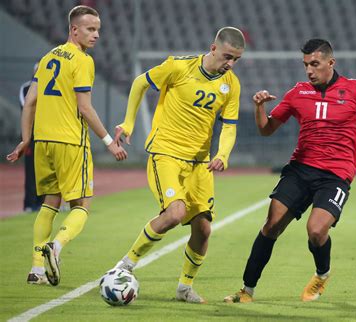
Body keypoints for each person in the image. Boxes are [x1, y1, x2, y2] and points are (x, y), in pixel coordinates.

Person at [224, 39, 356, 303]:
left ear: (331, 63)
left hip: (335, 176)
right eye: (306, 64)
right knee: (271, 225)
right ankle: (246, 291)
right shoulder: (298, 93)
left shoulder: (354, 91)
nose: (309, 70)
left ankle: (322, 274)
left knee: (317, 231)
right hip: (300, 169)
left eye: (315, 64)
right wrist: (259, 107)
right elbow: (266, 129)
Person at [111, 27, 245, 303]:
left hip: (200, 164)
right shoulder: (178, 67)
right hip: (167, 154)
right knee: (174, 213)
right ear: (213, 48)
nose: (230, 64)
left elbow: (230, 126)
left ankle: (184, 288)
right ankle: (125, 264)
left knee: (204, 228)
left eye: (236, 60)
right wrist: (129, 122)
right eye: (228, 57)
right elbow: (139, 83)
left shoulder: (231, 84)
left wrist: (223, 154)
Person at [6, 5, 127, 286]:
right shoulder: (83, 61)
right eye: (90, 29)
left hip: (43, 142)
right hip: (71, 142)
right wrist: (109, 142)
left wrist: (26, 139)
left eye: (98, 30)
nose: (96, 35)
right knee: (82, 205)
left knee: (49, 203)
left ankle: (36, 269)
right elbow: (84, 108)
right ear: (74, 30)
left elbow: (31, 102)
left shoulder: (47, 58)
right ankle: (56, 247)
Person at [19, 63, 44, 212]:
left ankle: (42, 203)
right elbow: (27, 106)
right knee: (30, 170)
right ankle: (29, 204)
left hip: (45, 134)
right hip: (30, 135)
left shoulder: (47, 89)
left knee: (44, 170)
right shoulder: (26, 88)